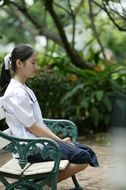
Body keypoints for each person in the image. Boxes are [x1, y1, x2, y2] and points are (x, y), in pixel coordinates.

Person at [0, 44, 99, 189]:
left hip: (38, 144)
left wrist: (59, 141)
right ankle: (43, 185)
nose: (36, 66)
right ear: (19, 63)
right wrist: (60, 141)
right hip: (30, 150)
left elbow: (38, 123)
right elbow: (33, 127)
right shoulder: (16, 93)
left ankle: (41, 184)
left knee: (86, 151)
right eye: (33, 62)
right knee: (83, 157)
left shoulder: (24, 89)